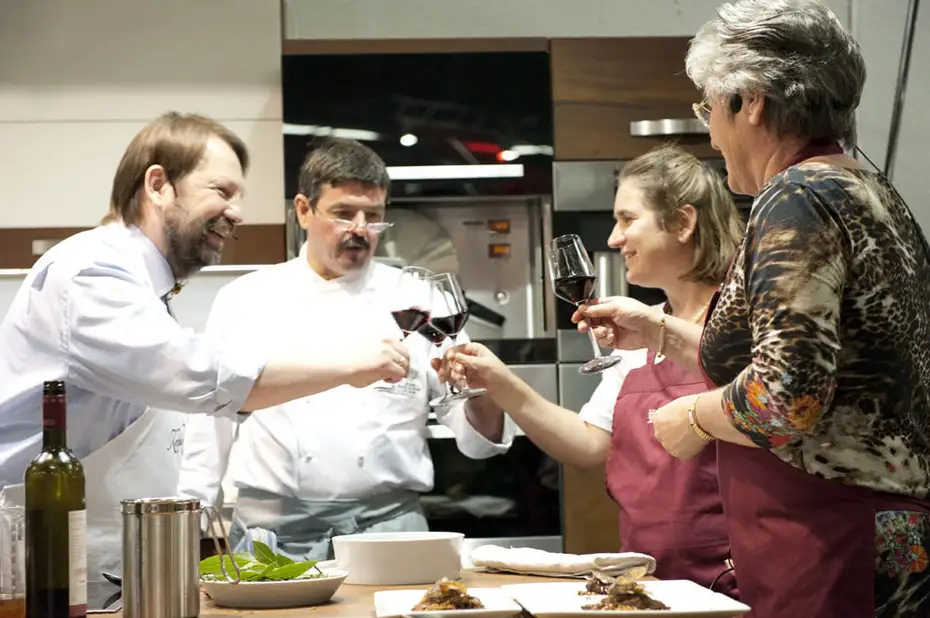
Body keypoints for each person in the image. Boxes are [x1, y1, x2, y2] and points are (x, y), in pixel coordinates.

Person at [577, 1, 930, 616]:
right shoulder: (871, 190)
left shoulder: (795, 196)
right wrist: (660, 329)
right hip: (891, 529)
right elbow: (824, 364)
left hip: (829, 537)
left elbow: (788, 396)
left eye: (708, 108)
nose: (712, 133)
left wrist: (693, 415)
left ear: (752, 102)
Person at [0, 112, 410, 586]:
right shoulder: (92, 274)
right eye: (221, 191)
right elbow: (201, 377)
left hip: (95, 556)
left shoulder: (144, 285)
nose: (237, 212)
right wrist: (354, 366)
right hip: (44, 555)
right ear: (158, 185)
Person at [177, 138, 514, 561]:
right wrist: (187, 519)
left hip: (391, 530)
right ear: (304, 210)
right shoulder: (247, 298)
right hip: (276, 532)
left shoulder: (419, 298)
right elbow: (211, 420)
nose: (360, 229)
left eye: (373, 216)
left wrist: (482, 392)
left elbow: (477, 443)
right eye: (343, 213)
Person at [435, 144, 743, 594]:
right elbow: (590, 445)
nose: (614, 238)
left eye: (627, 219)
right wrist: (500, 382)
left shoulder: (742, 321)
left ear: (683, 222)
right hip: (648, 577)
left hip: (732, 577)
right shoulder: (639, 331)